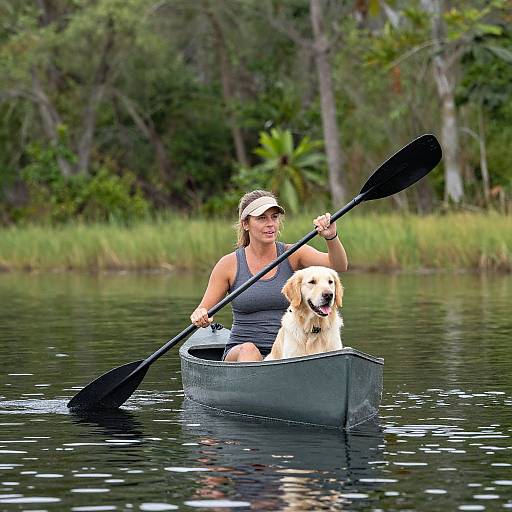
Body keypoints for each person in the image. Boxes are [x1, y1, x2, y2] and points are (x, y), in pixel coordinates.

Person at [190, 190, 348, 362]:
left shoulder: (293, 253)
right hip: (242, 352)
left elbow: (339, 265)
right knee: (249, 351)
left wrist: (331, 236)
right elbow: (203, 310)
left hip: (288, 348)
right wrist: (200, 316)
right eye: (262, 218)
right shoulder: (228, 264)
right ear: (245, 224)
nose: (271, 224)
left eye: (274, 217)